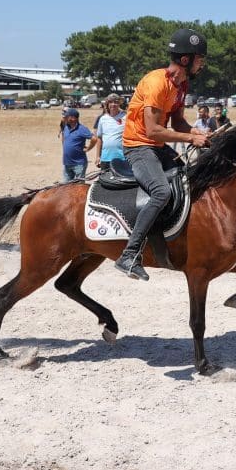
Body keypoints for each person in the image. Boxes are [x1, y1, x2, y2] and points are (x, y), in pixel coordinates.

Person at [115, 28, 210, 281]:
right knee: (161, 191)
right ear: (186, 59)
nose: (203, 64)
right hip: (138, 146)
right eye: (201, 58)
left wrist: (203, 135)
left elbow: (178, 124)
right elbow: (154, 130)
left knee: (188, 180)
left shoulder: (182, 84)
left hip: (156, 146)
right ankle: (129, 254)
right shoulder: (156, 82)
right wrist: (192, 138)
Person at [60, 108, 94, 181]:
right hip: (67, 163)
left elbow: (94, 139)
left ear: (73, 118)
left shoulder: (82, 129)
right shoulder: (66, 127)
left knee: (79, 187)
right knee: (66, 186)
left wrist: (88, 149)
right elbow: (63, 135)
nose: (64, 118)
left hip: (79, 164)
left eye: (66, 116)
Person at [93, 93, 126, 167]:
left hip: (121, 158)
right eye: (111, 102)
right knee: (105, 178)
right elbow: (99, 138)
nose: (113, 104)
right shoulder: (102, 119)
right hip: (105, 158)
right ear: (107, 104)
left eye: (116, 102)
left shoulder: (125, 117)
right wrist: (98, 156)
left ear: (119, 104)